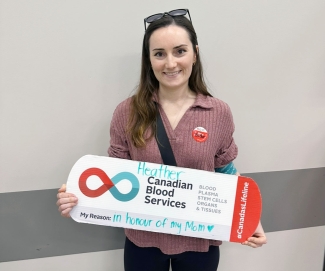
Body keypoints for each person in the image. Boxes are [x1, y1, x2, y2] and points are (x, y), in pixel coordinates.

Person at [57, 9, 267, 271]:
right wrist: (79, 195)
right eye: (159, 54)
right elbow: (114, 177)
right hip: (143, 242)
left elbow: (226, 172)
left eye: (180, 51)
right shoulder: (127, 112)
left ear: (195, 53)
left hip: (199, 241)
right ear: (149, 60)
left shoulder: (218, 112)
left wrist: (249, 219)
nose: (170, 63)